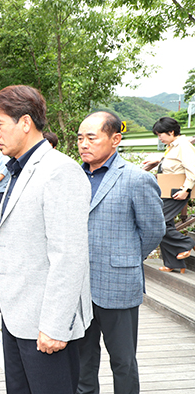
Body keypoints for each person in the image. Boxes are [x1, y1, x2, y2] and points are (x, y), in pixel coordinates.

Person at [0, 85, 92, 394]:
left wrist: (56, 326)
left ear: (26, 123)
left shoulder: (59, 171)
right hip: (16, 314)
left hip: (46, 324)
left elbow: (69, 255)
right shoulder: (18, 168)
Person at [76, 111, 165, 394]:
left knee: (123, 362)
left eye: (92, 137)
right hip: (78, 286)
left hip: (118, 284)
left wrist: (125, 258)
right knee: (82, 360)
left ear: (116, 139)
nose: (84, 144)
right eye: (80, 138)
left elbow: (153, 230)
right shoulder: (72, 177)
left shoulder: (136, 179)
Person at [143, 117, 195, 273]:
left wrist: (185, 190)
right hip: (166, 191)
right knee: (167, 224)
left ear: (171, 132)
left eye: (160, 134)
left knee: (160, 222)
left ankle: (187, 243)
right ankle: (173, 263)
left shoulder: (183, 146)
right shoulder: (172, 147)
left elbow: (192, 170)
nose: (159, 138)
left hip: (178, 191)